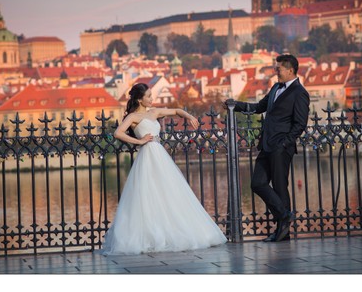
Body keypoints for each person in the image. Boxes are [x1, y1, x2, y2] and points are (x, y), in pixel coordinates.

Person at [100, 83, 227, 255]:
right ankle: (152, 235)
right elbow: (118, 133)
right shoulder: (133, 116)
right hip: (147, 156)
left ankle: (172, 231)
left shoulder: (154, 112)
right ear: (139, 99)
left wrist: (189, 116)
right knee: (147, 196)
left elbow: (176, 111)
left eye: (152, 95)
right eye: (149, 96)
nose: (152, 99)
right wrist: (139, 141)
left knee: (170, 193)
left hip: (160, 156)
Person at [227, 54, 310, 242]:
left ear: (290, 70)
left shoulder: (300, 92)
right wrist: (235, 105)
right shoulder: (275, 88)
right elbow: (258, 107)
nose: (275, 71)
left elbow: (300, 124)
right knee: (257, 183)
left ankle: (283, 231)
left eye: (278, 68)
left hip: (281, 147)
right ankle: (284, 216)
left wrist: (284, 143)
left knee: (281, 187)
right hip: (266, 145)